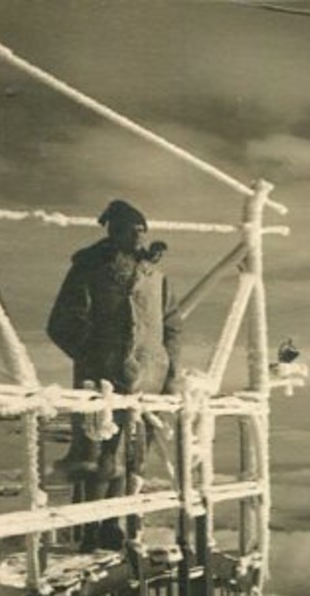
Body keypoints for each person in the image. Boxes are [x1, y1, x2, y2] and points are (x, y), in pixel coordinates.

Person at [46, 199, 181, 550]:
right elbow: (61, 324)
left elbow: (171, 325)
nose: (137, 238)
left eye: (141, 232)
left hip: (149, 381)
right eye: (129, 231)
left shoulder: (157, 277)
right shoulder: (89, 270)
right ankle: (90, 529)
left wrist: (170, 371)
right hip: (102, 380)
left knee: (133, 455)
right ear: (113, 230)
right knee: (98, 457)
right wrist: (95, 356)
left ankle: (112, 525)